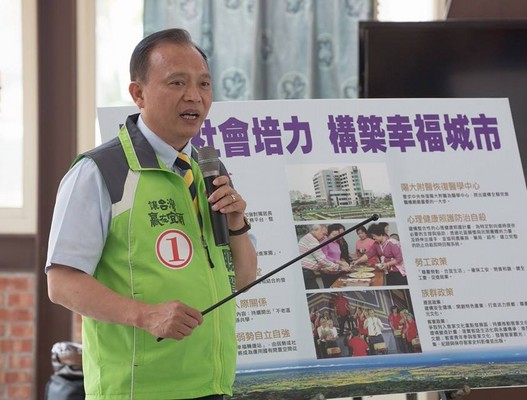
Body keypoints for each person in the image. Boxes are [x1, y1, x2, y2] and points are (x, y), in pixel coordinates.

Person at [45, 28, 257, 400]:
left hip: (212, 385)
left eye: (204, 84)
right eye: (177, 82)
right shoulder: (100, 171)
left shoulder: (208, 170)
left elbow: (241, 279)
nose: (194, 96)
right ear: (138, 93)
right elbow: (61, 283)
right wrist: (145, 315)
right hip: (137, 390)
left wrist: (237, 224)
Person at [298, 224, 350, 288]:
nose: (324, 236)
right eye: (324, 234)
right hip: (306, 272)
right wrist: (340, 267)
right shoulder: (313, 241)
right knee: (315, 293)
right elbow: (322, 260)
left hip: (310, 271)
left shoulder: (309, 238)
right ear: (317, 230)